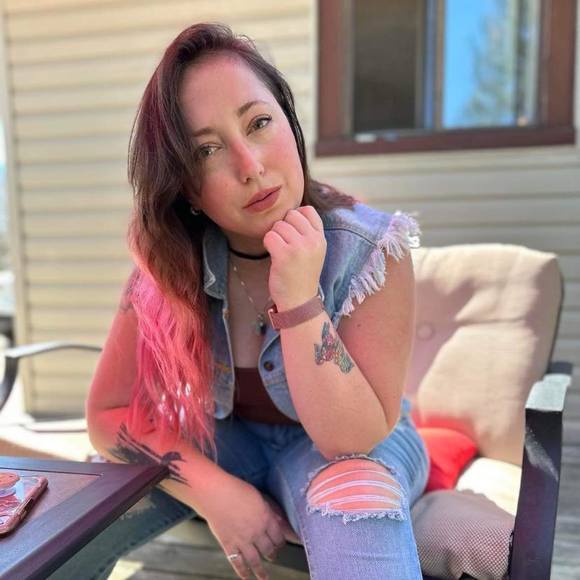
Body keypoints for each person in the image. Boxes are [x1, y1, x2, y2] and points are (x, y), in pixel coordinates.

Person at [49, 22, 429, 580]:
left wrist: (299, 301)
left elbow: (350, 440)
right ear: (185, 186)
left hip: (357, 444)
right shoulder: (168, 265)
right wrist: (215, 493)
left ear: (290, 123)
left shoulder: (372, 249)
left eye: (259, 123)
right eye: (207, 149)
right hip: (230, 445)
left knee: (355, 491)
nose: (250, 166)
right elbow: (108, 416)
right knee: (79, 520)